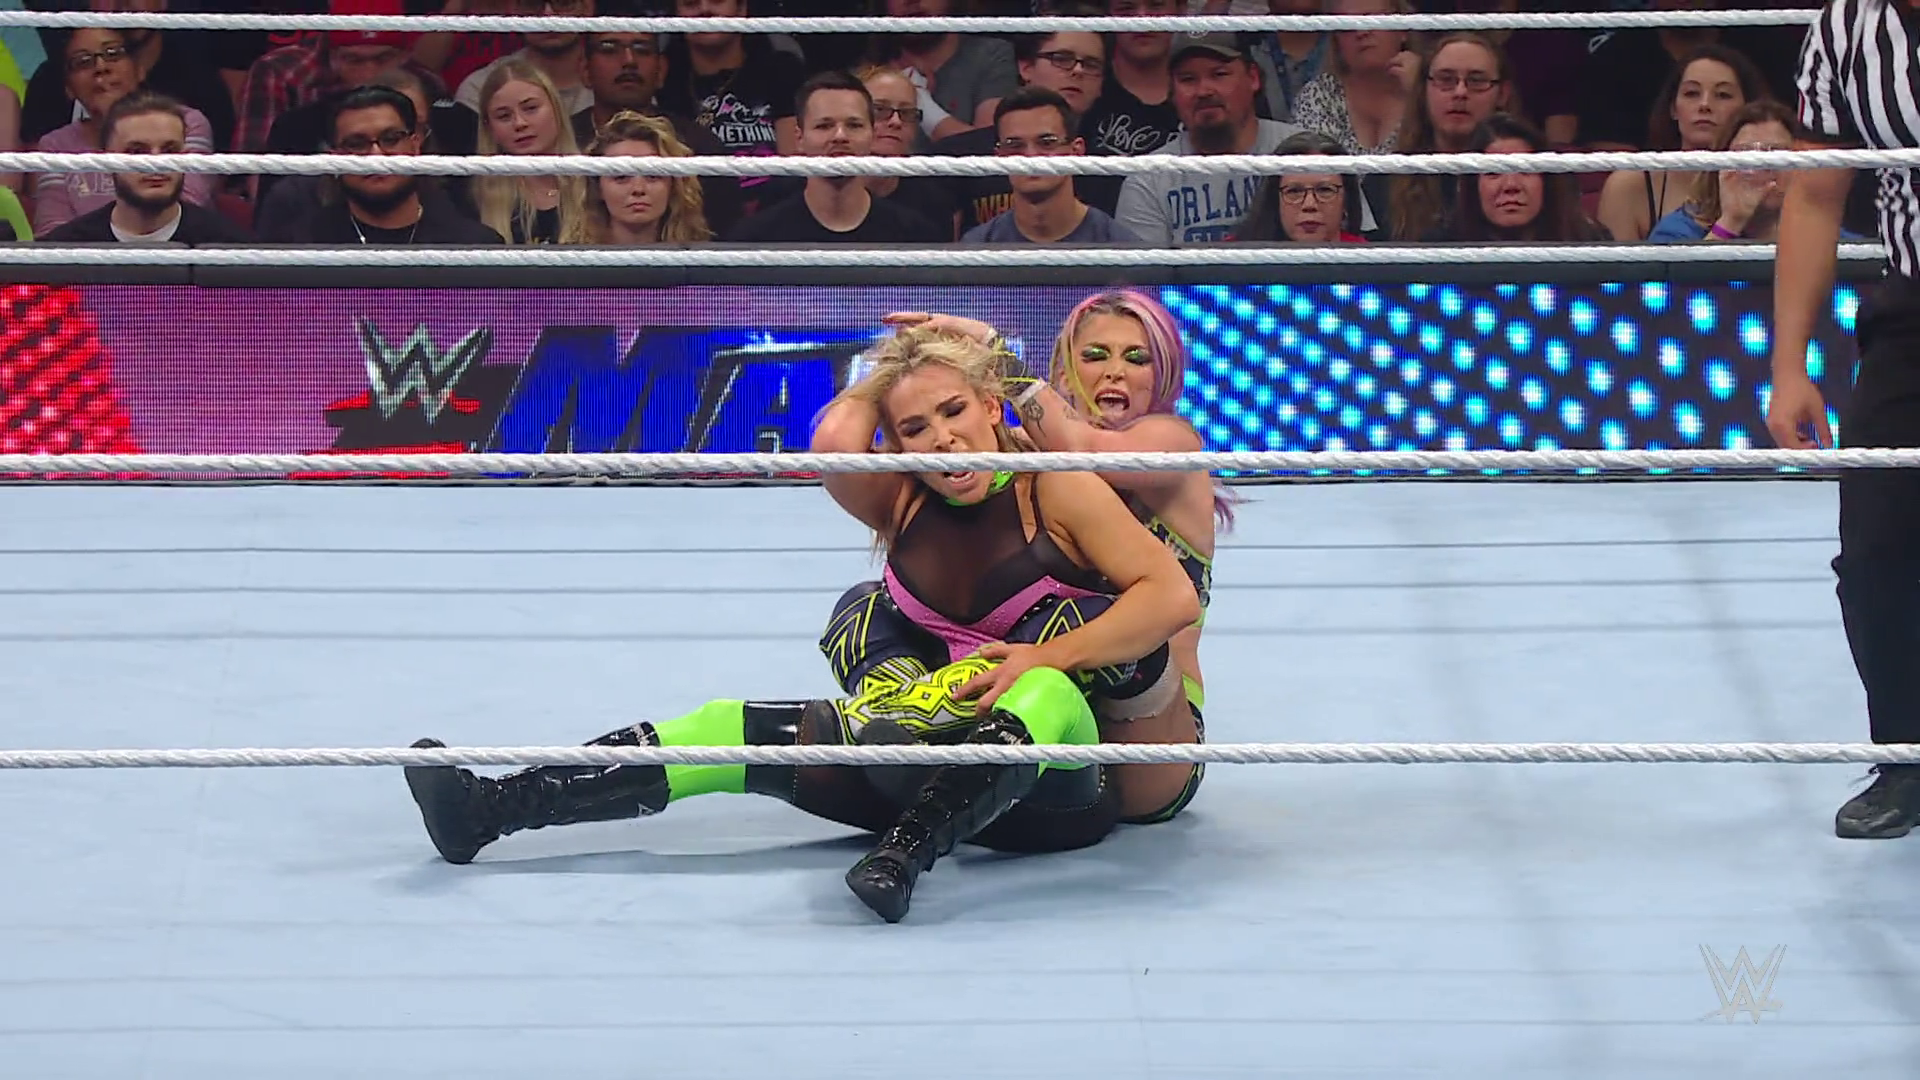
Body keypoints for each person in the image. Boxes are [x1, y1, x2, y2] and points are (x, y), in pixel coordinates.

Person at [405, 326, 1200, 922]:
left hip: (1064, 785)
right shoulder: (900, 498)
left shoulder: (1052, 488)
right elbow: (834, 443)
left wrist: (1044, 657)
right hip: (945, 743)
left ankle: (903, 857)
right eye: (915, 428)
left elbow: (1169, 597)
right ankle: (493, 808)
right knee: (735, 722)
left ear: (991, 407)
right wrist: (894, 367)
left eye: (955, 410)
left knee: (1043, 687)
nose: (942, 438)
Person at [827, 290, 1223, 826]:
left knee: (1075, 619)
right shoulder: (1007, 450)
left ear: (1166, 371)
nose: (1114, 372)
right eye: (1095, 355)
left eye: (1137, 357)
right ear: (1064, 370)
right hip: (1025, 698)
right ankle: (915, 729)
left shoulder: (1171, 443)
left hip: (1143, 726)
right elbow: (839, 451)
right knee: (868, 610)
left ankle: (916, 745)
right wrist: (904, 371)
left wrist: (994, 353)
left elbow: (1084, 452)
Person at [1765, 0, 1920, 839]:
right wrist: (1790, 364)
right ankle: (1907, 758)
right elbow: (1816, 196)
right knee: (1876, 549)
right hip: (1914, 310)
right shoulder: (1847, 27)